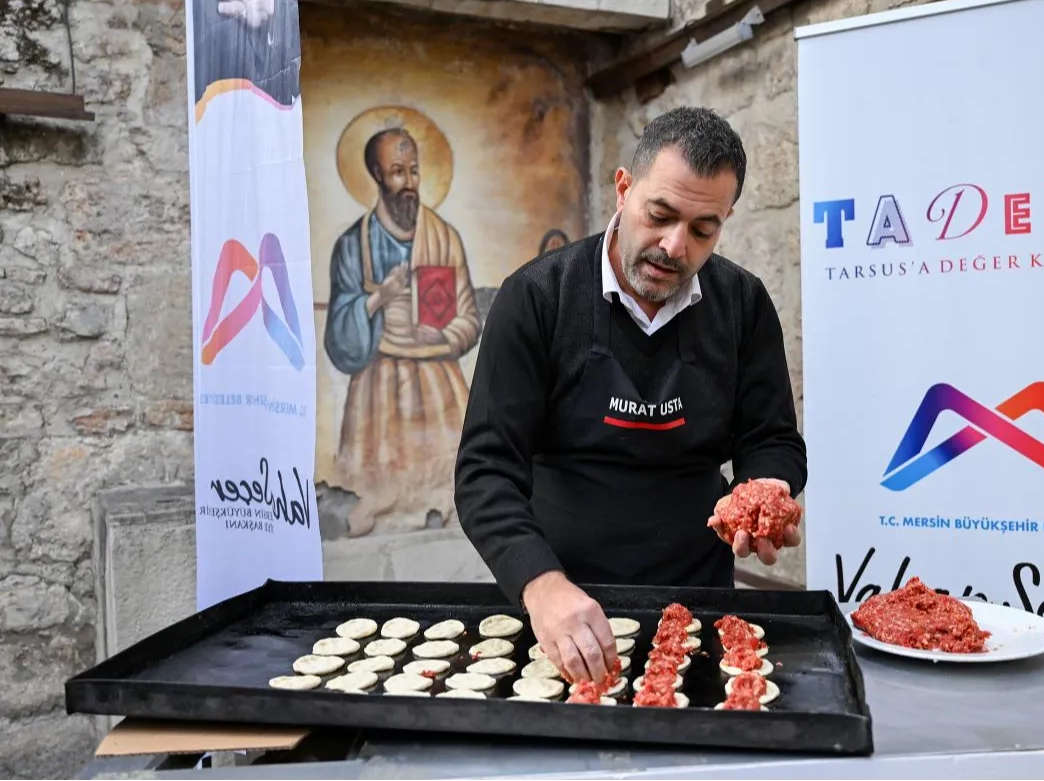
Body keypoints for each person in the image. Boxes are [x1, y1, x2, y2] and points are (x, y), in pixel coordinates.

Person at [453, 107, 806, 685]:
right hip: (560, 597)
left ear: (726, 219)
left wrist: (766, 488)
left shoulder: (742, 304)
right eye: (660, 215)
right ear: (623, 188)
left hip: (698, 601)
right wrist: (539, 584)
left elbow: (771, 439)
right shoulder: (537, 298)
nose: (674, 246)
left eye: (703, 229)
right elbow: (485, 471)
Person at [325, 127, 482, 537]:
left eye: (414, 170)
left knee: (452, 503)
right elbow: (339, 336)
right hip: (378, 394)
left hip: (440, 390)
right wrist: (380, 297)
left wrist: (444, 337)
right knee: (376, 508)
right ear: (377, 175)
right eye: (397, 171)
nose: (409, 181)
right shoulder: (353, 245)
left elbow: (469, 318)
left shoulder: (444, 238)